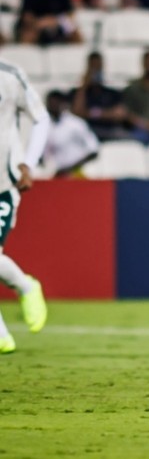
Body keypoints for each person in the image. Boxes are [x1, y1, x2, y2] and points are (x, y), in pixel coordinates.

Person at [0, 57, 50, 354]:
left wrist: (28, 163)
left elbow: (40, 117)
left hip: (3, 185)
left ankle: (26, 287)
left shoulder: (9, 75)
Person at [71, 52, 128, 141]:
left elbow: (119, 115)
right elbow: (76, 113)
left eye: (98, 67)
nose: (96, 71)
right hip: (87, 131)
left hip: (109, 130)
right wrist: (84, 86)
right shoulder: (79, 93)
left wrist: (90, 113)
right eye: (93, 67)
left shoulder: (112, 93)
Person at [42, 91, 98, 177]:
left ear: (62, 104)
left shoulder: (75, 123)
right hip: (57, 175)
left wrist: (70, 168)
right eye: (50, 104)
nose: (53, 107)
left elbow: (93, 150)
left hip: (78, 172)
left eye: (55, 103)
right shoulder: (45, 126)